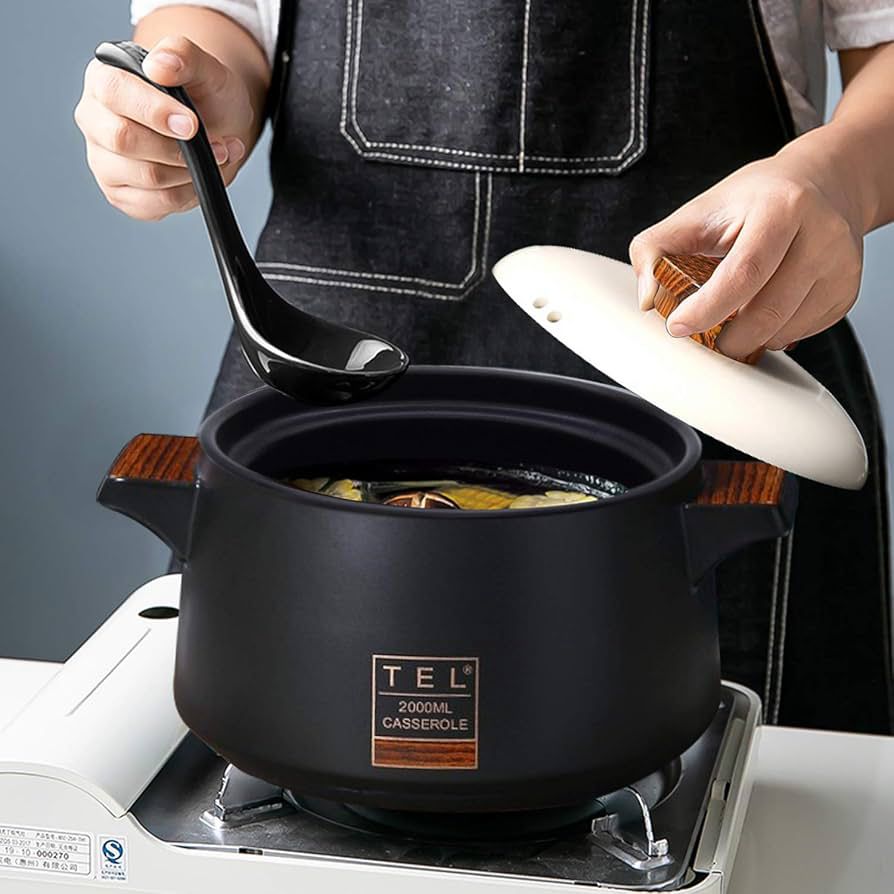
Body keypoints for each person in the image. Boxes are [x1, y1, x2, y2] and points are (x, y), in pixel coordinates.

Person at [76, 1, 894, 734]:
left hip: (713, 364)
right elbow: (218, 21)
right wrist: (185, 97)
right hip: (326, 368)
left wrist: (839, 180)